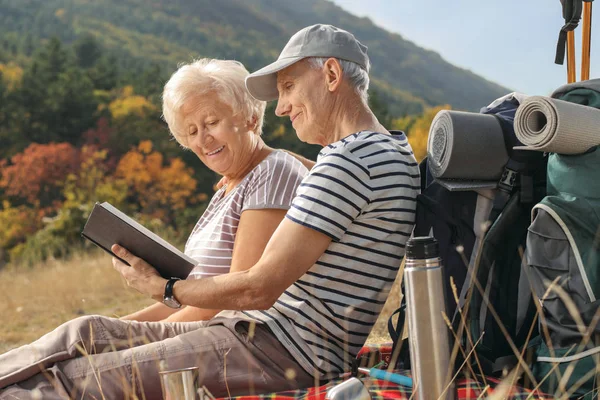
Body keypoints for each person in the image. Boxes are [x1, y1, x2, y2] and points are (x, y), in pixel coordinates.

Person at [0, 24, 420, 399]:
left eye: (289, 86)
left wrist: (164, 288)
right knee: (86, 331)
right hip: (263, 336)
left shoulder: (351, 160)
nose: (281, 107)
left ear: (331, 75)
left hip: (278, 348)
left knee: (67, 379)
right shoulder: (379, 151)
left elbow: (257, 289)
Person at [0, 59, 308, 398]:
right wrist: (117, 328)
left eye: (212, 122)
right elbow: (182, 298)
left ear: (249, 117)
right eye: (191, 131)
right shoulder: (229, 188)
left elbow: (234, 299)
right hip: (202, 326)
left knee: (69, 371)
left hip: (238, 339)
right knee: (83, 331)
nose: (203, 139)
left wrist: (129, 329)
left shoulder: (271, 172)